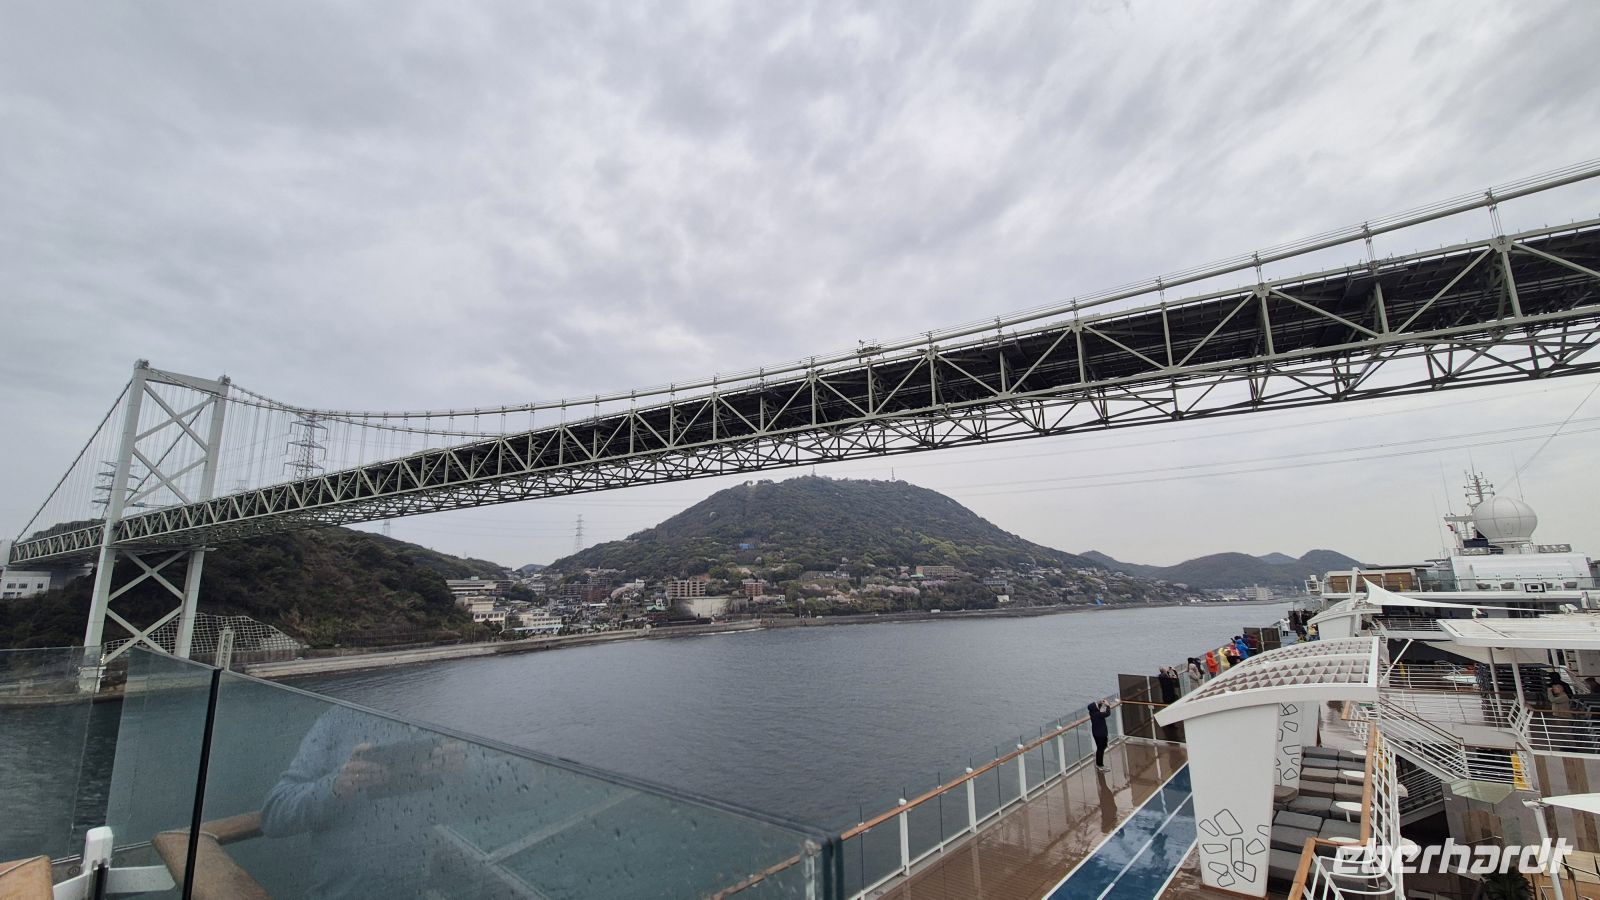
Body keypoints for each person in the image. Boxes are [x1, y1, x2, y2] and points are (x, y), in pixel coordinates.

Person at [1087, 699, 1112, 772]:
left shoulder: (1092, 713)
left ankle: (1099, 763)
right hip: (1101, 735)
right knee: (1101, 749)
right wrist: (1108, 706)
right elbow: (1107, 713)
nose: (1097, 705)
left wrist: (1100, 702)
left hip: (1096, 734)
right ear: (1095, 708)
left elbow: (1096, 708)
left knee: (1100, 748)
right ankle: (1100, 765)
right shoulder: (1098, 714)